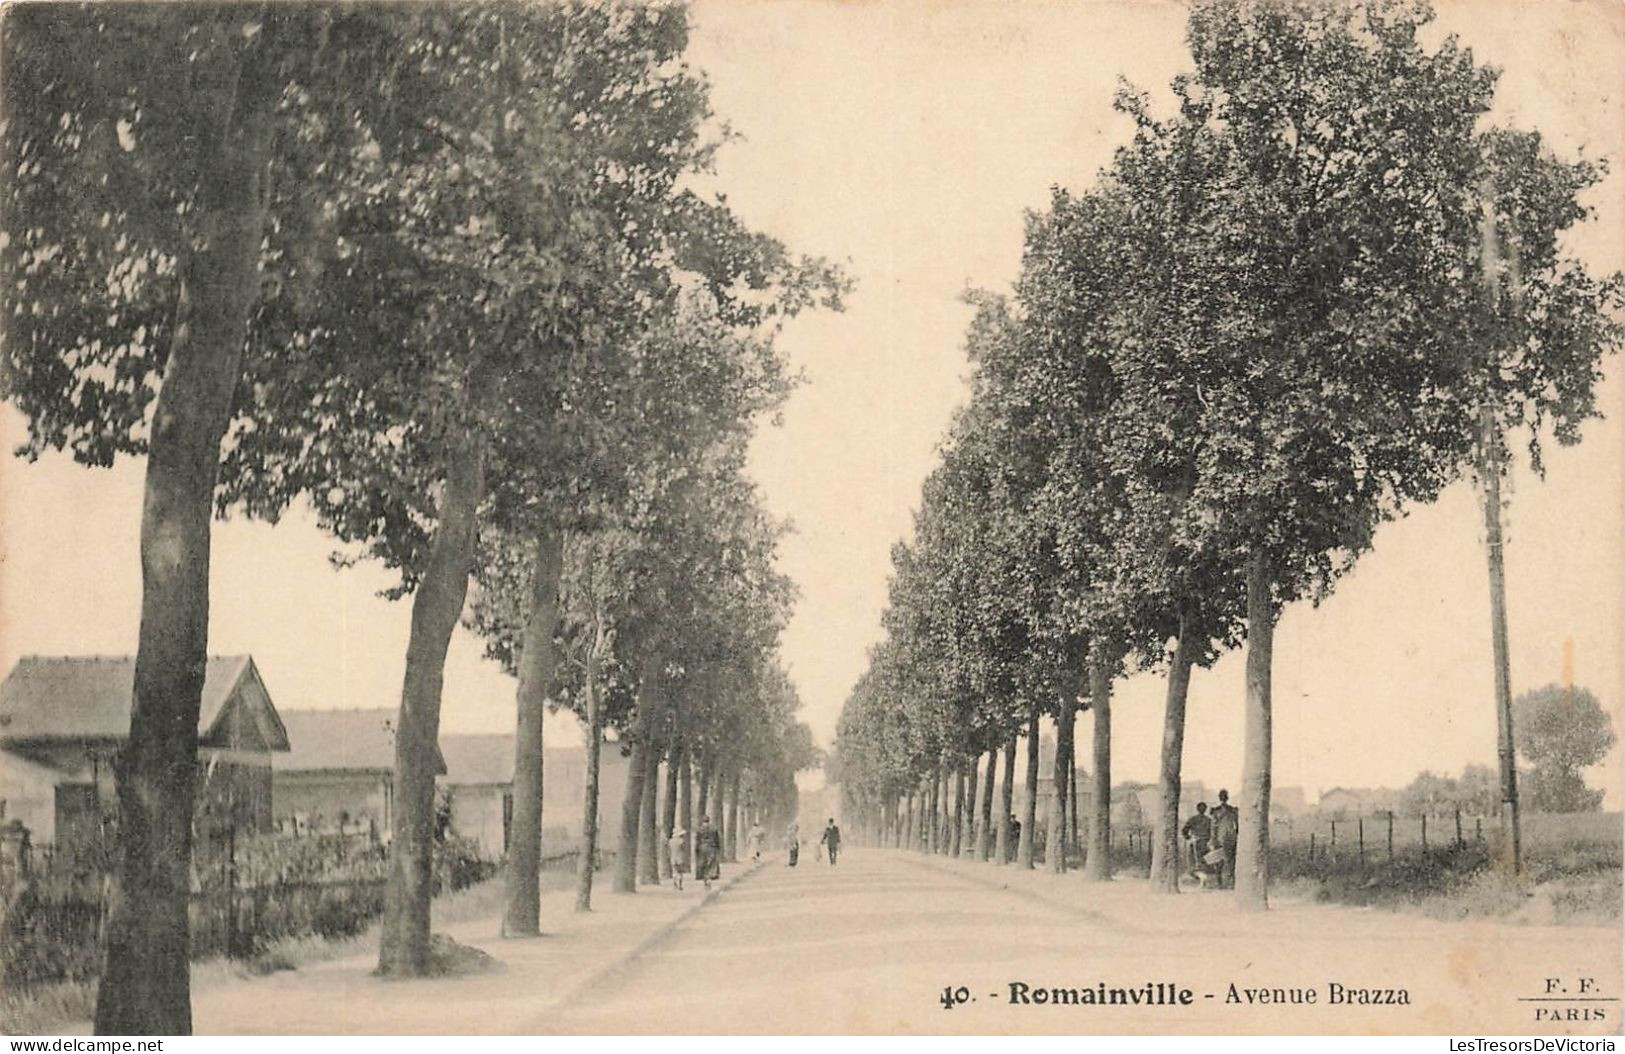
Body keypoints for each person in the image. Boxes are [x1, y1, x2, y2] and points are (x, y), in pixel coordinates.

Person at [1210, 789, 1240, 890]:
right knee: (1230, 860)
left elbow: (1214, 826)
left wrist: (1213, 839)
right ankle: (1230, 882)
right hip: (1231, 837)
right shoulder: (1233, 810)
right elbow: (1237, 826)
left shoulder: (1216, 811)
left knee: (1220, 861)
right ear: (1227, 798)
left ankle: (1221, 883)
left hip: (1220, 838)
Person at [1180, 802, 1213, 886]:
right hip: (1205, 844)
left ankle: (1201, 879)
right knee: (1202, 863)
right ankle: (1202, 879)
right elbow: (1212, 833)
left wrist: (1189, 838)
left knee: (1194, 863)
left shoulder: (1193, 819)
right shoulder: (1209, 820)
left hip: (1196, 843)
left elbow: (1184, 831)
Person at [694, 815, 723, 890]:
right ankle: (709, 879)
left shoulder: (699, 829)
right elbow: (717, 840)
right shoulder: (714, 829)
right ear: (708, 821)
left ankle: (705, 879)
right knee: (711, 864)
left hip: (702, 848)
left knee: (703, 864)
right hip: (711, 847)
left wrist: (696, 849)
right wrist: (718, 848)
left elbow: (697, 840)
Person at [668, 825, 689, 891]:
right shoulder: (682, 841)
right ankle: (680, 885)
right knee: (680, 872)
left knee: (674, 871)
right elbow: (684, 850)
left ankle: (675, 884)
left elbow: (669, 850)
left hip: (673, 857)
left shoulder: (670, 841)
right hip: (680, 858)